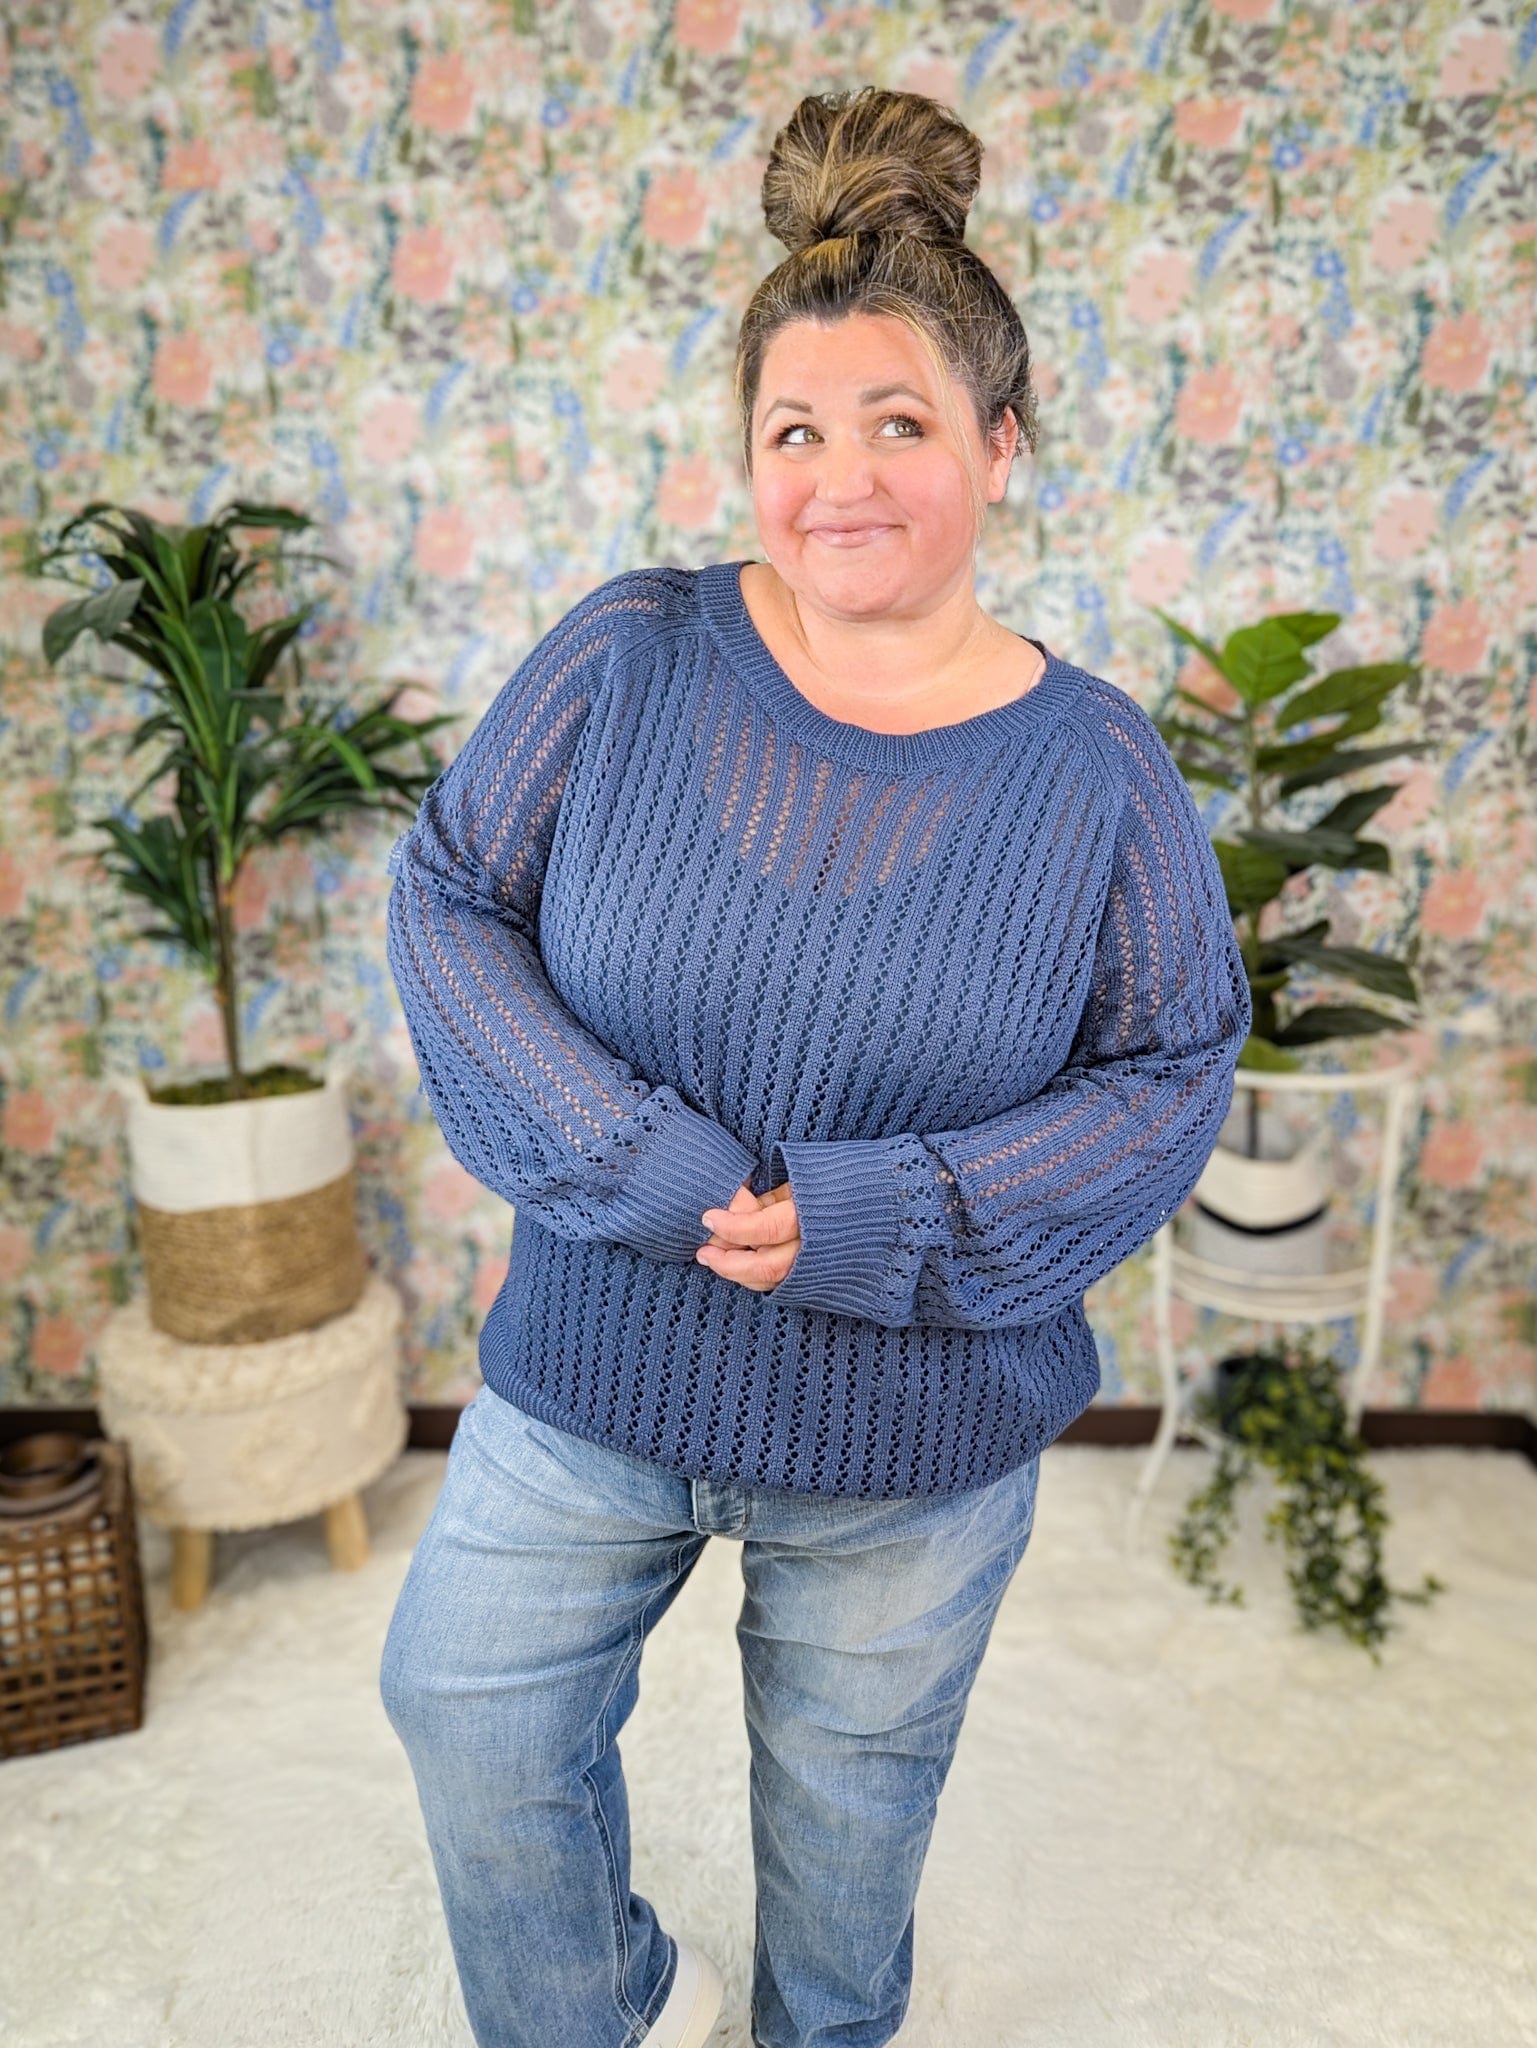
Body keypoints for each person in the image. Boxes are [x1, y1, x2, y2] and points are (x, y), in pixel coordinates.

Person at [378, 84, 1251, 2048]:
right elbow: (450, 897)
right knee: (464, 1703)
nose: (839, 478)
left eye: (898, 425)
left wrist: (886, 1211)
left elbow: (1168, 1066)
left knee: (846, 1874)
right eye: (794, 430)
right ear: (745, 453)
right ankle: (607, 2005)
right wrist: (638, 1160)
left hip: (909, 1447)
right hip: (593, 1365)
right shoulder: (628, 653)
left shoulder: (1097, 770)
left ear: (1002, 444)